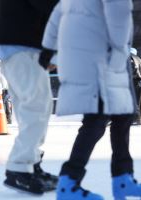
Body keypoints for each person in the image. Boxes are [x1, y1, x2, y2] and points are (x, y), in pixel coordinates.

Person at [42, 1, 141, 199]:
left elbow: (56, 15)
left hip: (87, 55)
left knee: (124, 114)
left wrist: (48, 51)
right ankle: (69, 181)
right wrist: (119, 54)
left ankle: (123, 177)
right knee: (96, 119)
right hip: (102, 57)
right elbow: (120, 14)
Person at [0, 0, 59, 195]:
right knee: (36, 106)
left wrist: (49, 52)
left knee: (37, 107)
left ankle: (32, 163)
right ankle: (19, 167)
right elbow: (53, 9)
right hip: (20, 45)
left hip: (23, 45)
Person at [130, 48, 141, 125]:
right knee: (137, 101)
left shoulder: (130, 57)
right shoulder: (139, 59)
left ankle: (135, 118)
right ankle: (137, 119)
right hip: (138, 81)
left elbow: (133, 69)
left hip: (133, 80)